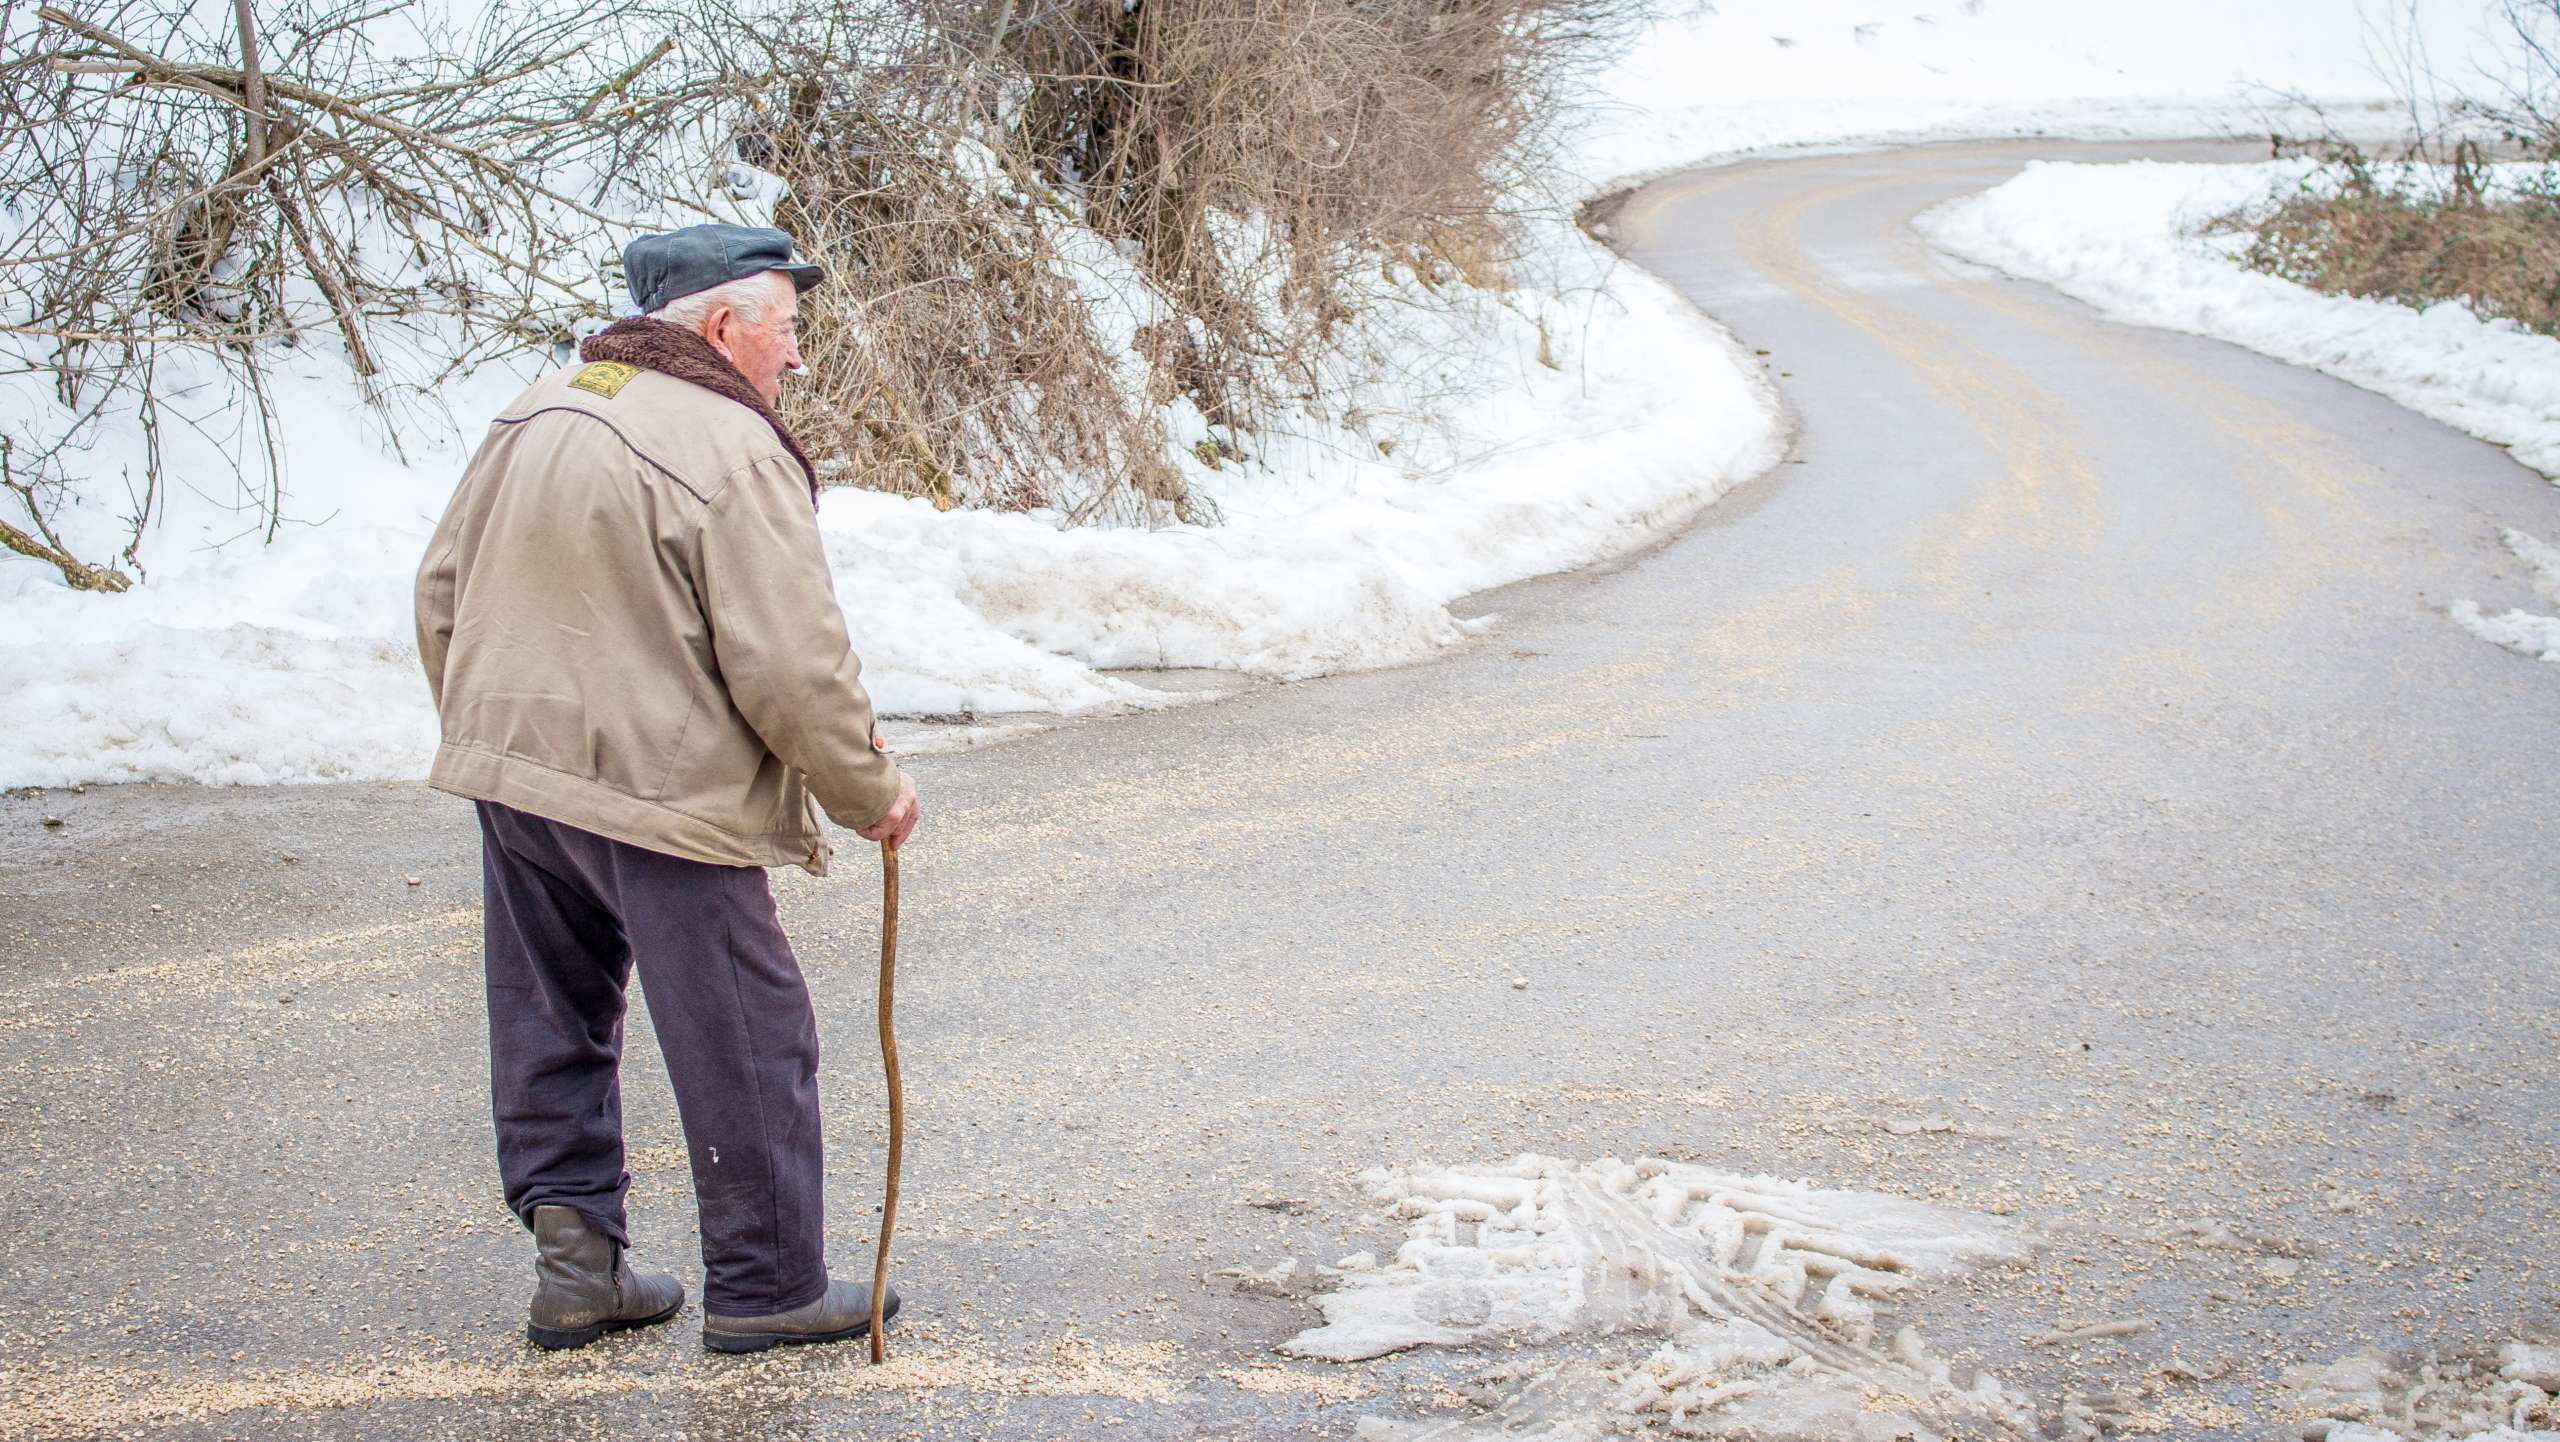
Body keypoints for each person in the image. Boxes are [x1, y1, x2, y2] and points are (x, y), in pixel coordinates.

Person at [414, 222, 920, 1354]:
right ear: (725, 323)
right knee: (749, 1029)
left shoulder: (538, 406)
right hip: (656, 785)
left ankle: (578, 1267)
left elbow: (440, 588)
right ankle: (771, 1283)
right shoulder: (730, 445)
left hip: (516, 766)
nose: (794, 360)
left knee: (552, 1015)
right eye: (786, 331)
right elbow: (791, 661)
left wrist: (491, 727)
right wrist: (865, 787)